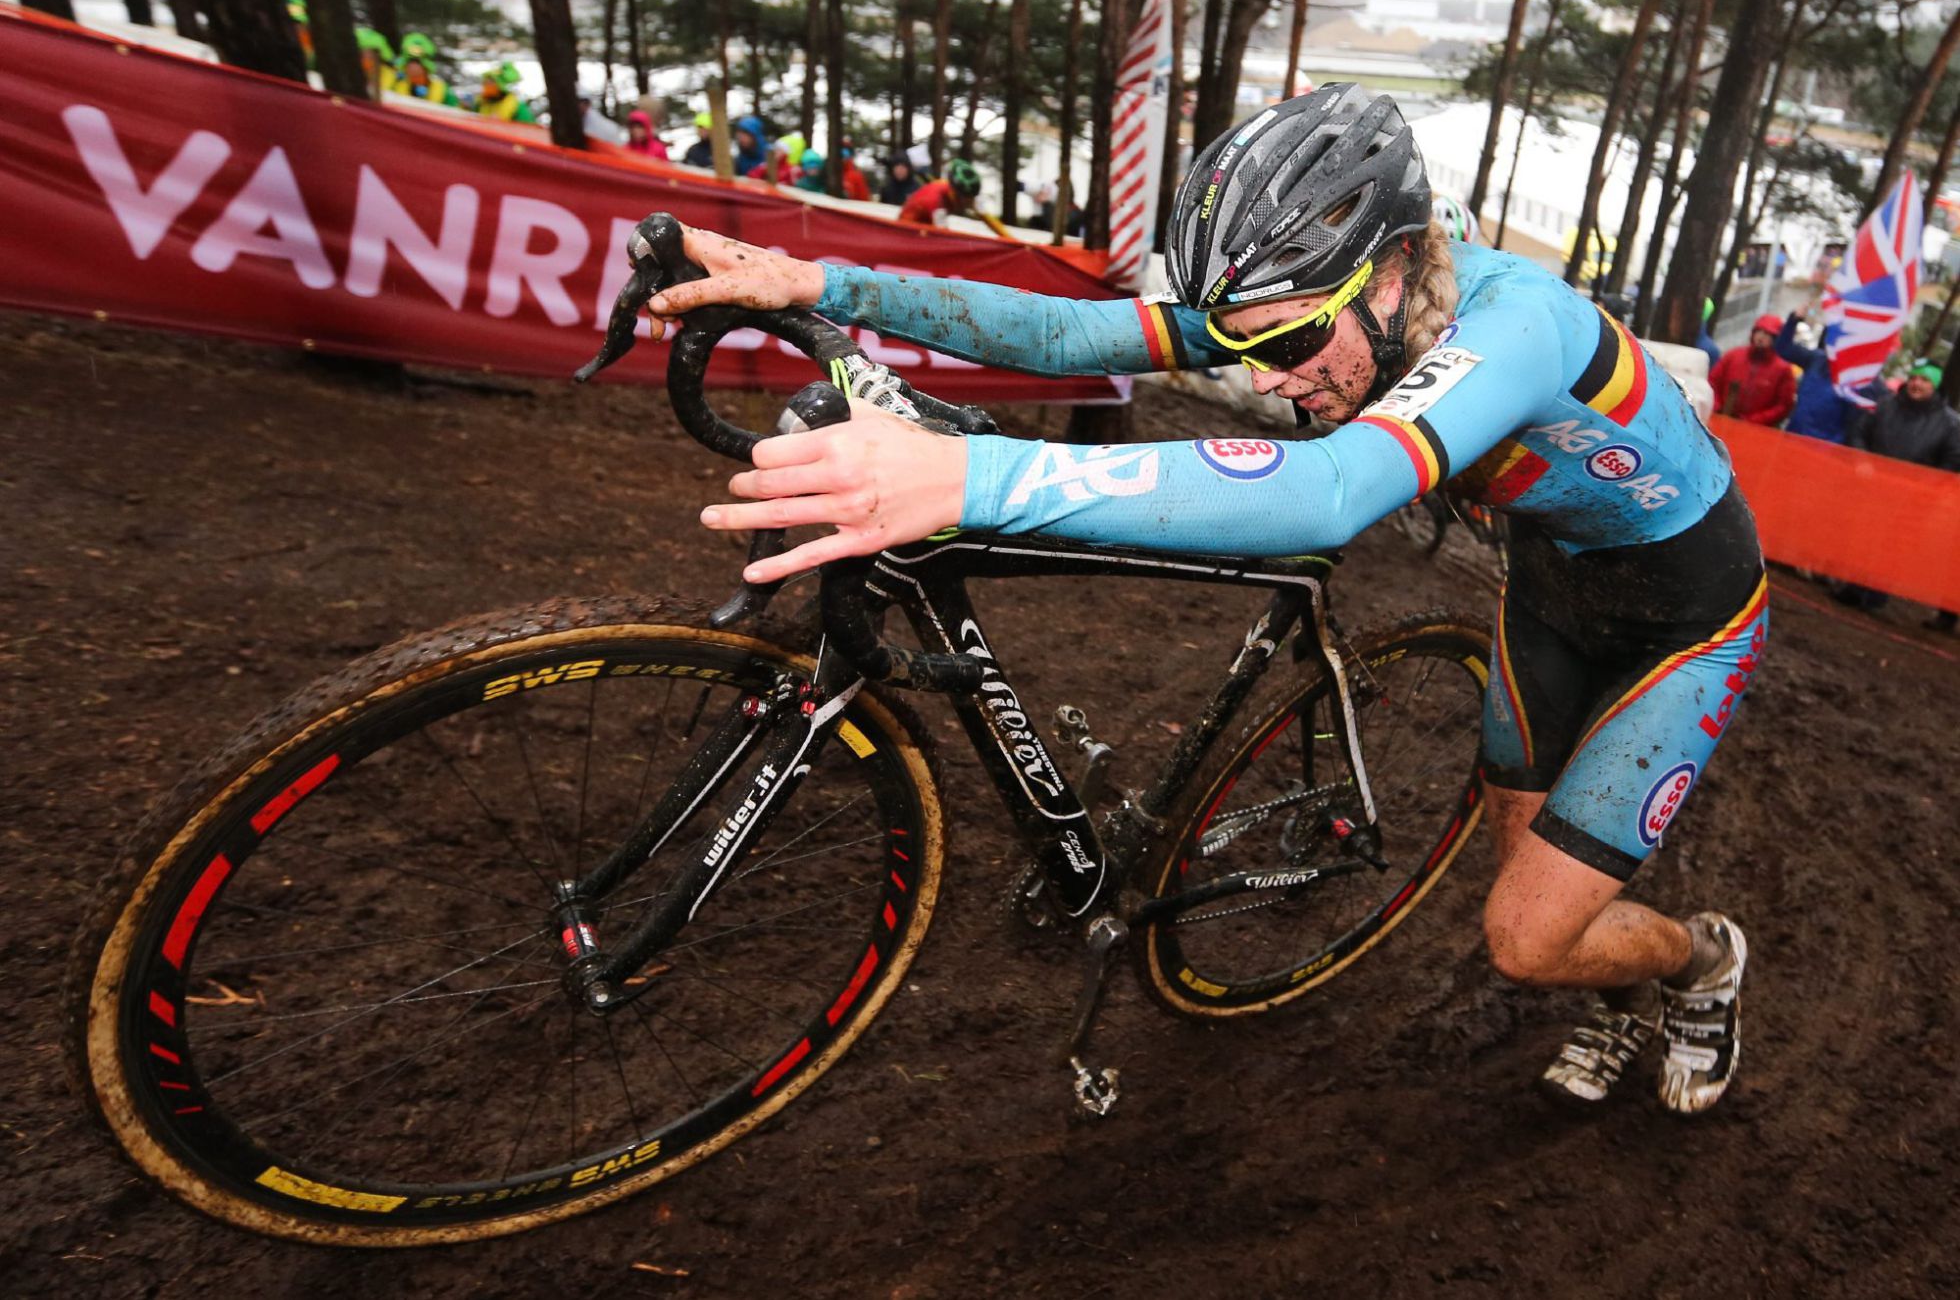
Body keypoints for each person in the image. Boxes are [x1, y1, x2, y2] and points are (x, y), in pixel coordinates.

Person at [648, 83, 1757, 1117]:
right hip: (1552, 588)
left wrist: (974, 478)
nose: (1268, 379)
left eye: (1284, 343)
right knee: (1545, 898)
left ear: (1391, 269)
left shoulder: (1522, 324)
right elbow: (1077, 335)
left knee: (1523, 939)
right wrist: (823, 283)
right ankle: (1622, 987)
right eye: (1245, 345)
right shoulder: (1330, 297)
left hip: (1687, 620)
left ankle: (1701, 959)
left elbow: (1333, 490)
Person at [1843, 360, 1960, 630]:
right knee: (1862, 535)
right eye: (1915, 378)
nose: (1917, 384)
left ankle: (1875, 594)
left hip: (1914, 499)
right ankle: (1851, 586)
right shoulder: (1886, 404)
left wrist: (1928, 485)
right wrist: (1862, 461)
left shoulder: (1949, 423)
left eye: (1925, 380)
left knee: (1895, 544)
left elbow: (1953, 460)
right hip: (1875, 489)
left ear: (1935, 385)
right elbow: (1860, 431)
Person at [1775, 304, 1881, 442]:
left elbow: (1854, 425)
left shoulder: (1856, 380)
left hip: (1824, 449)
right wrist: (1793, 320)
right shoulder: (1816, 359)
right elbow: (1783, 348)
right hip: (1794, 437)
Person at [1707, 315, 1797, 426]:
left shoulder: (1782, 370)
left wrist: (1754, 420)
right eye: (1759, 332)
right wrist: (1718, 407)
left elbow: (1784, 405)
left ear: (1775, 339)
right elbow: (1713, 382)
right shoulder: (1733, 356)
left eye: (1767, 334)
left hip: (1756, 430)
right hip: (1722, 420)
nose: (1761, 337)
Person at [898, 159, 982, 227]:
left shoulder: (948, 187)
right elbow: (943, 234)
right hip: (907, 231)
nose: (971, 202)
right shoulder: (937, 202)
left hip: (926, 226)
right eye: (968, 199)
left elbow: (982, 213)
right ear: (958, 194)